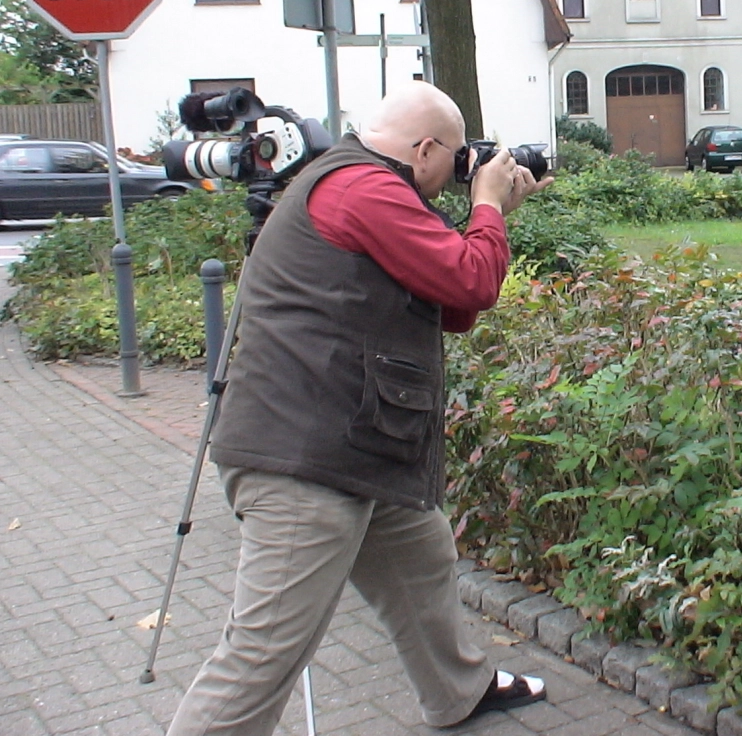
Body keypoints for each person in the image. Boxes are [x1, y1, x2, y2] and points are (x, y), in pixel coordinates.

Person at [168, 82, 552, 735]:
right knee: (262, 654)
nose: (453, 177)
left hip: (358, 444)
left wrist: (491, 214)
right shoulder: (363, 189)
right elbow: (472, 282)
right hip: (307, 460)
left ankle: (459, 690)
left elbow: (451, 302)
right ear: (425, 147)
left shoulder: (374, 186)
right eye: (454, 160)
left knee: (421, 561)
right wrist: (486, 203)